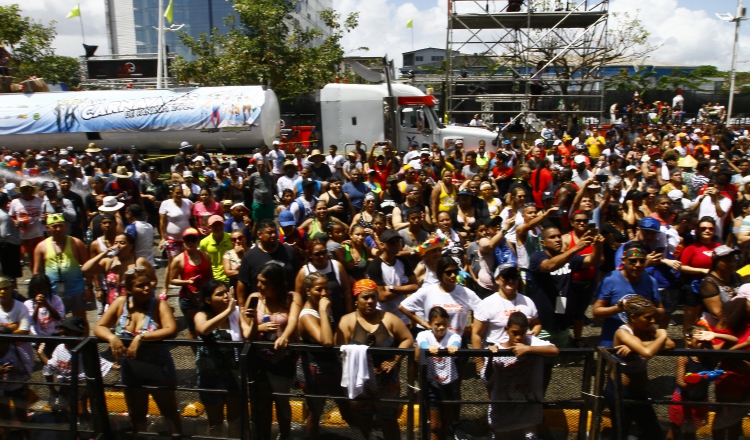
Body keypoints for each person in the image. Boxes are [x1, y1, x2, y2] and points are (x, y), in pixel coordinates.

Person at [94, 267, 182, 438]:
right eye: (141, 286)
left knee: (169, 414)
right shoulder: (120, 303)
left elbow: (172, 329)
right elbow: (99, 327)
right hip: (131, 370)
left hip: (159, 369)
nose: (147, 289)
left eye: (148, 284)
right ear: (129, 289)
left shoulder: (158, 304)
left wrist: (142, 336)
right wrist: (112, 338)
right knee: (137, 415)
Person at [335, 279, 414, 440]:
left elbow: (407, 339)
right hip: (358, 381)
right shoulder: (347, 321)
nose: (370, 301)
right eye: (365, 297)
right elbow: (338, 349)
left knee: (389, 420)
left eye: (373, 297)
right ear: (357, 299)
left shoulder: (389, 319)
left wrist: (395, 360)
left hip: (386, 381)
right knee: (361, 421)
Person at [240, 263, 303, 440]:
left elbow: (292, 321)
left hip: (283, 359)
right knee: (262, 404)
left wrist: (285, 337)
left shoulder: (292, 298)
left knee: (282, 401)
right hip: (260, 360)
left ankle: (285, 436)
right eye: (257, 281)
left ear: (275, 284)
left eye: (263, 282)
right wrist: (257, 324)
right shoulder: (254, 298)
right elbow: (248, 334)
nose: (258, 286)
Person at [604, 296, 675, 440]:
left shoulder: (646, 328)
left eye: (653, 318)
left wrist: (638, 345)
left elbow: (670, 345)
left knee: (653, 432)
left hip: (640, 392)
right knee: (619, 433)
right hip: (621, 392)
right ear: (633, 317)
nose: (653, 321)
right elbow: (647, 353)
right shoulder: (623, 332)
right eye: (648, 318)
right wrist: (661, 336)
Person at [297, 272, 357, 440]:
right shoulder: (308, 315)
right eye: (318, 289)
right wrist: (323, 310)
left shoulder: (324, 307)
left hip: (331, 367)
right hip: (314, 370)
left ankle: (360, 436)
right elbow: (327, 341)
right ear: (308, 291)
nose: (324, 293)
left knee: (346, 407)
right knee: (315, 412)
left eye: (326, 289)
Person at [481, 312, 559, 439]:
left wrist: (528, 349)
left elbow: (554, 350)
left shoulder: (530, 341)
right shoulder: (497, 348)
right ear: (506, 330)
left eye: (522, 333)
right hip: (502, 404)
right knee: (502, 434)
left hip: (524, 403)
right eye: (514, 333)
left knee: (518, 433)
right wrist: (490, 358)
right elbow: (487, 380)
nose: (518, 337)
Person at [528, 224, 603, 352]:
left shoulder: (569, 257)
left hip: (562, 321)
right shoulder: (537, 257)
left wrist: (598, 246)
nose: (557, 239)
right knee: (537, 361)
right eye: (552, 237)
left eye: (559, 236)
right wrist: (576, 248)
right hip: (542, 324)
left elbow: (593, 261)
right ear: (543, 242)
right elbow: (549, 266)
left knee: (557, 356)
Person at [193, 280, 242, 438]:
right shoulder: (201, 315)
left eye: (226, 292)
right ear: (208, 300)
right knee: (215, 421)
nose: (225, 296)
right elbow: (203, 329)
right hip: (210, 375)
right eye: (219, 294)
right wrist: (227, 311)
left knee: (235, 419)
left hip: (233, 374)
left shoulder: (235, 314)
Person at [593, 241, 665, 347]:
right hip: (611, 340)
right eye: (633, 261)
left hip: (639, 344)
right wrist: (618, 309)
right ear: (624, 260)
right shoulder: (611, 279)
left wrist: (651, 309)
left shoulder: (650, 281)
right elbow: (595, 313)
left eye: (642, 261)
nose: (638, 265)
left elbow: (662, 312)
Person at [400, 256, 482, 337]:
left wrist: (471, 328)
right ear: (440, 273)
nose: (453, 275)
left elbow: (483, 311)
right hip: (434, 343)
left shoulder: (466, 292)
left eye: (456, 272)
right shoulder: (428, 291)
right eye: (448, 272)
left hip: (458, 342)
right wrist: (424, 323)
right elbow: (403, 307)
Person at [33, 213, 91, 320]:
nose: (58, 229)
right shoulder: (41, 246)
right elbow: (37, 271)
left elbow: (87, 267)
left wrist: (89, 287)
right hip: (54, 291)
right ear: (48, 228)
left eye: (61, 225)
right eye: (54, 226)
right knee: (57, 321)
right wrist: (38, 291)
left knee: (80, 320)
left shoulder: (76, 243)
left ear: (66, 226)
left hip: (76, 289)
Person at [417, 306, 463, 440]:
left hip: (449, 383)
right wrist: (428, 347)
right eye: (437, 324)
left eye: (444, 324)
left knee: (445, 423)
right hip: (432, 384)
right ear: (430, 323)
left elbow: (456, 342)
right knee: (434, 426)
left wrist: (454, 346)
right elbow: (422, 343)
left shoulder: (452, 335)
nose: (441, 328)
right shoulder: (424, 335)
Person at [472, 263, 541, 350]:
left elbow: (536, 324)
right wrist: (479, 362)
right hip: (496, 355)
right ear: (497, 279)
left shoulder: (527, 301)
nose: (511, 281)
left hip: (522, 354)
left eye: (514, 277)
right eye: (506, 277)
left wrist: (533, 333)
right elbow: (476, 334)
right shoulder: (487, 303)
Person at [82, 232, 157, 309]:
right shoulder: (109, 262)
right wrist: (104, 253)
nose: (118, 246)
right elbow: (85, 269)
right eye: (115, 243)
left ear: (131, 246)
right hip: (113, 307)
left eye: (122, 243)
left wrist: (144, 290)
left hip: (133, 307)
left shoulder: (139, 262)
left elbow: (153, 280)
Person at [236, 219, 298, 306]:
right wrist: (242, 308)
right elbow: (242, 283)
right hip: (261, 307)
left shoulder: (289, 251)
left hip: (287, 304)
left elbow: (298, 277)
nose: (273, 235)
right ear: (259, 235)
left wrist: (297, 300)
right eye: (269, 233)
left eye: (275, 232)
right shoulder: (250, 256)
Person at [367, 229, 419, 326]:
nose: (396, 244)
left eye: (398, 241)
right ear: (382, 245)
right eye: (392, 242)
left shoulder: (403, 261)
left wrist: (392, 288)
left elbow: (415, 286)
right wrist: (404, 288)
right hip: (383, 318)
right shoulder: (375, 265)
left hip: (403, 317)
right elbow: (382, 296)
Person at [295, 239, 352, 327]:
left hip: (338, 316)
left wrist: (349, 313)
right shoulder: (304, 272)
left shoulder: (337, 266)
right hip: (315, 318)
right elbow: (298, 298)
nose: (322, 256)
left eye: (324, 252)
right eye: (317, 254)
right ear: (310, 255)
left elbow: (346, 291)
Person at [680, 217, 722, 333]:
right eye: (703, 228)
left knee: (709, 319)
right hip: (694, 287)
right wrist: (701, 271)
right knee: (690, 320)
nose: (707, 231)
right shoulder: (691, 248)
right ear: (698, 230)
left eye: (710, 228)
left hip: (714, 288)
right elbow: (682, 266)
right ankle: (687, 348)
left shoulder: (718, 247)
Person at [168, 228, 212, 339]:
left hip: (205, 298)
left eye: (193, 240)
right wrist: (188, 282)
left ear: (197, 241)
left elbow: (211, 276)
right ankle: (195, 353)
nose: (191, 243)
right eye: (188, 240)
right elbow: (172, 280)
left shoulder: (205, 256)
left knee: (208, 327)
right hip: (188, 299)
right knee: (193, 329)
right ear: (184, 242)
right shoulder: (178, 260)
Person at [9, 180, 44, 269]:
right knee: (30, 259)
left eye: (29, 189)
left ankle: (43, 278)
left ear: (32, 190)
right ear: (21, 191)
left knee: (42, 257)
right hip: (24, 236)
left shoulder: (40, 201)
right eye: (24, 189)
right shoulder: (15, 202)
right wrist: (14, 221)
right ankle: (35, 278)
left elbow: (45, 213)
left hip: (39, 234)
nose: (27, 191)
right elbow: (11, 216)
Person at [159, 183, 194, 268]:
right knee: (173, 264)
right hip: (172, 239)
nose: (179, 195)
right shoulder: (165, 204)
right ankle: (169, 281)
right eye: (177, 193)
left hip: (186, 239)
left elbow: (194, 210)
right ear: (172, 193)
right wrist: (163, 238)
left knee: (186, 262)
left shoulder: (188, 202)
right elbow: (162, 222)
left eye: (181, 193)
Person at [245, 159, 276, 238]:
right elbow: (251, 188)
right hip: (258, 202)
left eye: (263, 165)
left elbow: (273, 187)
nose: (261, 166)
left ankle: (270, 237)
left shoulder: (270, 176)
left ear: (265, 166)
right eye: (259, 165)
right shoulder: (253, 176)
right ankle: (253, 241)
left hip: (268, 202)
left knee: (269, 222)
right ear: (257, 166)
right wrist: (256, 196)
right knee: (256, 222)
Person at [199, 215, 232, 286]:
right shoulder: (204, 242)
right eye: (214, 225)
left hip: (230, 276)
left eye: (219, 225)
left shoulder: (232, 238)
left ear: (223, 225)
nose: (218, 227)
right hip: (213, 278)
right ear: (209, 227)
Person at [0, 192, 21, 286]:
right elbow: (6, 235)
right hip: (8, 248)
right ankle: (13, 292)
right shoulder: (4, 216)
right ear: (6, 203)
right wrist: (19, 241)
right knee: (10, 273)